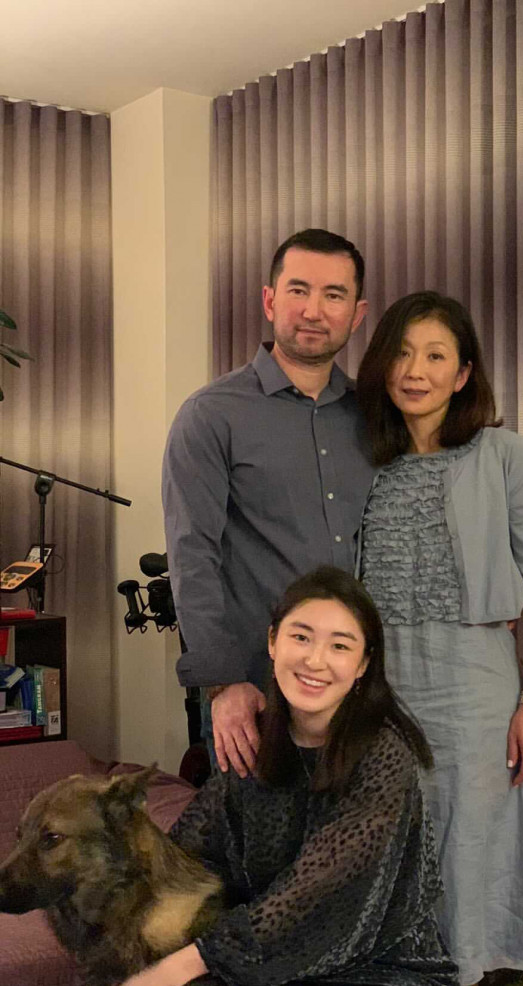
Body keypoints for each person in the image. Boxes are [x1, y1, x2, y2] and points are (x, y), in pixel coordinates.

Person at [355, 292, 523, 986]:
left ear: (464, 372)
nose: (415, 370)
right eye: (401, 353)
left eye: (435, 355)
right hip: (380, 689)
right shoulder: (364, 462)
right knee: (386, 848)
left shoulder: (504, 454)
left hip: (476, 688)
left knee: (469, 852)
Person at [120, 566, 459, 986]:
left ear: (363, 664)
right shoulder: (255, 739)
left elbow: (317, 892)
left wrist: (187, 963)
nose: (315, 660)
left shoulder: (385, 755)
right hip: (262, 956)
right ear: (272, 642)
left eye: (340, 646)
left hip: (377, 964)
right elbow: (188, 855)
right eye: (301, 637)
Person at [162, 229, 376, 777]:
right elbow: (192, 556)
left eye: (333, 295)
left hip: (359, 690)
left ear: (356, 314)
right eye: (298, 289)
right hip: (256, 693)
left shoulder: (374, 417)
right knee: (255, 833)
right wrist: (222, 684)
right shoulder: (212, 415)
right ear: (269, 300)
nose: (313, 310)